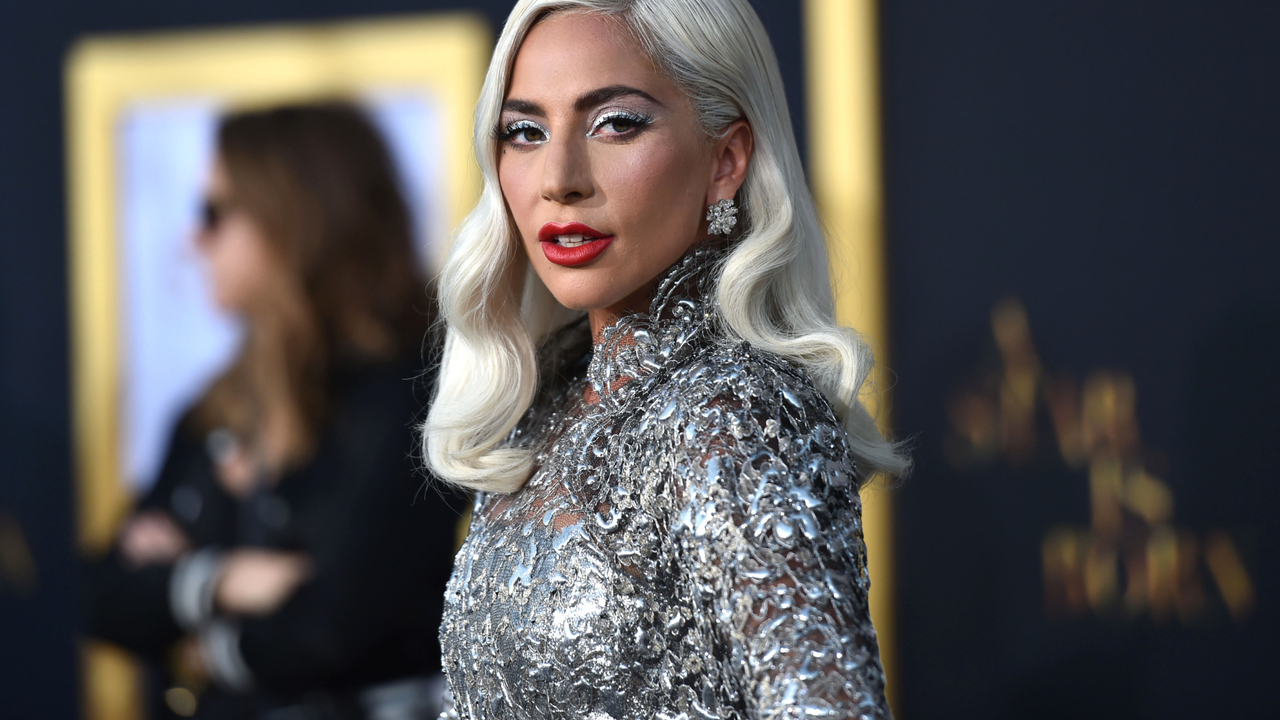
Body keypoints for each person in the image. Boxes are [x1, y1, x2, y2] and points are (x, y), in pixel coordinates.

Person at [422, 1, 911, 719]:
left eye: (615, 123)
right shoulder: (551, 402)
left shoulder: (732, 414)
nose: (560, 176)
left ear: (726, 160)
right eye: (524, 131)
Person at [85, 102, 462, 720]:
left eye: (213, 212)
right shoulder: (216, 405)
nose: (193, 239)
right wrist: (220, 579)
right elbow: (102, 594)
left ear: (299, 219)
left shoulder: (412, 393)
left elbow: (328, 630)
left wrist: (185, 618)